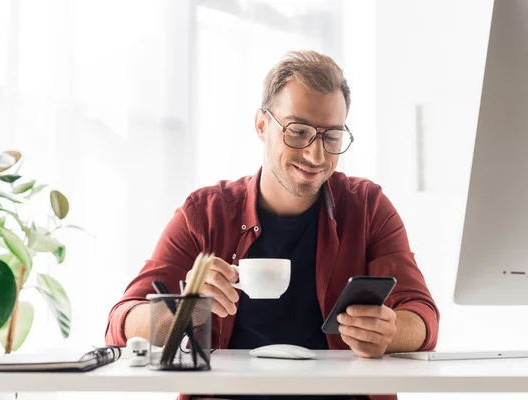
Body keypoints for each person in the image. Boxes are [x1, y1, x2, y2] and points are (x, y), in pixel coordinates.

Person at [105, 50, 439, 400]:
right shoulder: (204, 213)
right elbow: (121, 323)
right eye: (298, 131)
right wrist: (185, 309)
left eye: (332, 137)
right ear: (262, 126)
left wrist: (390, 331)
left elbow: (422, 316)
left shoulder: (367, 207)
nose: (316, 156)